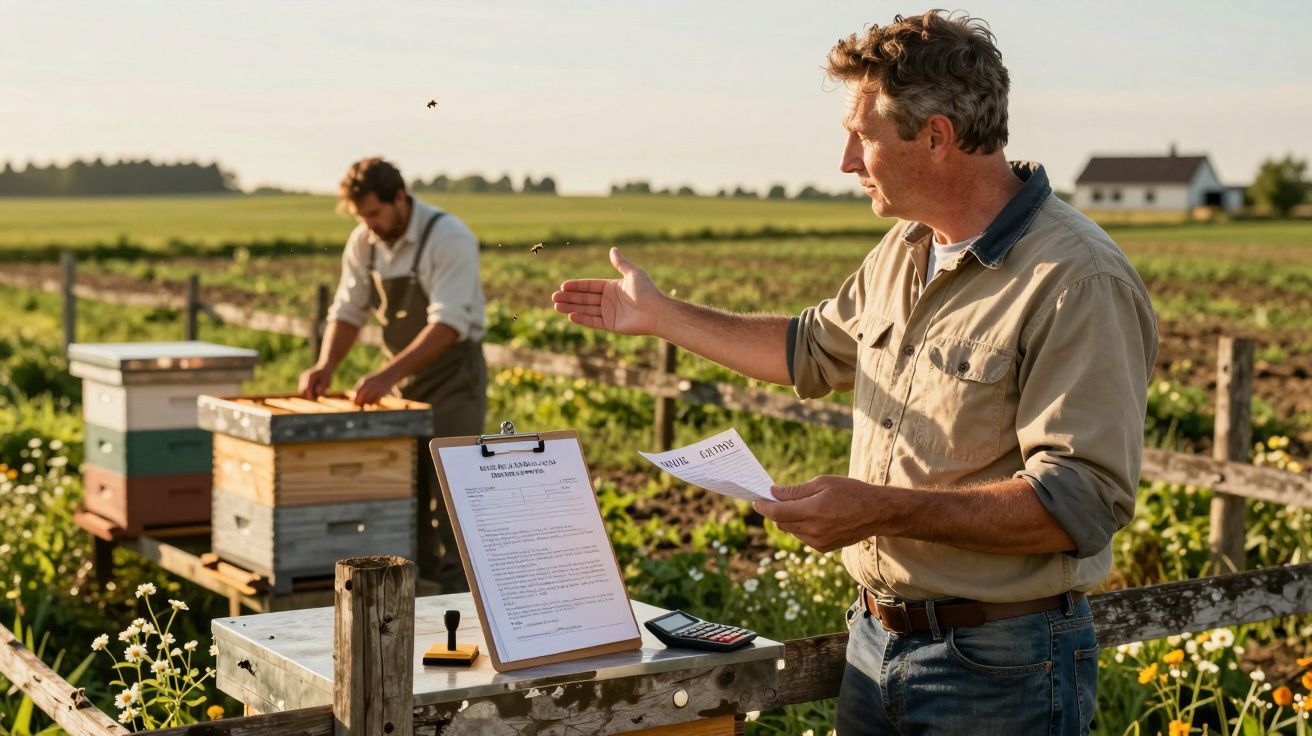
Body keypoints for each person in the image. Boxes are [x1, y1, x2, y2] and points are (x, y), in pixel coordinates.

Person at [552, 11, 1157, 734]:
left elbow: (1078, 503)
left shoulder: (1076, 279)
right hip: (874, 644)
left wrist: (882, 508)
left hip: (1002, 667)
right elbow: (809, 349)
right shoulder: (906, 251)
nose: (845, 160)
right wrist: (659, 315)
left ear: (935, 136)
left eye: (862, 136)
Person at [299, 157, 488, 590]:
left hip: (454, 377)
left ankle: (463, 598)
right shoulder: (364, 242)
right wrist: (326, 365)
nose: (368, 224)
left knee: (452, 497)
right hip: (405, 379)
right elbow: (348, 311)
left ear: (400, 198)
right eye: (361, 216)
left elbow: (448, 325)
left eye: (375, 213)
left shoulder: (449, 237)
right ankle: (415, 594)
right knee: (408, 493)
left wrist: (384, 376)